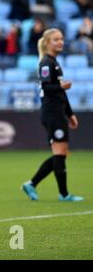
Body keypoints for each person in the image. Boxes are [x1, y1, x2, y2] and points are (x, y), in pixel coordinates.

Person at [21, 29, 83, 202]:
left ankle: (32, 184)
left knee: (61, 153)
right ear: (47, 42)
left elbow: (60, 93)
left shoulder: (54, 62)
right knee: (60, 152)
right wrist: (63, 88)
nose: (60, 42)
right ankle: (63, 194)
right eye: (56, 39)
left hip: (58, 112)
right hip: (52, 113)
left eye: (62, 39)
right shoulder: (46, 63)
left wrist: (70, 113)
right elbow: (48, 89)